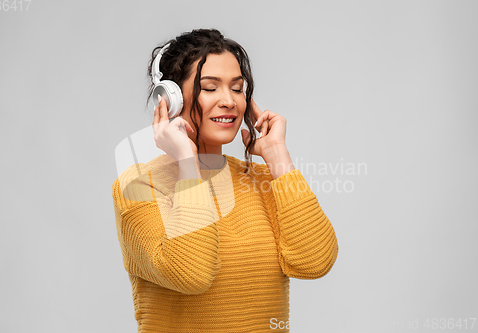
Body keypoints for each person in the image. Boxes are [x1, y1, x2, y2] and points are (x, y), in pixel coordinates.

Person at [111, 28, 339, 333]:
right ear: (170, 100)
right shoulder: (138, 186)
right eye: (210, 88)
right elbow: (192, 273)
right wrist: (188, 164)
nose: (229, 101)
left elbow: (315, 262)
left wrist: (277, 155)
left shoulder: (263, 179)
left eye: (236, 88)